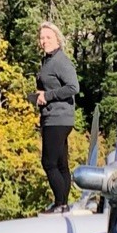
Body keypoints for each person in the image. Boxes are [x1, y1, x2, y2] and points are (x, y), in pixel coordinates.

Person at [35, 20, 81, 211]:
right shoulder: (48, 61)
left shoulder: (60, 61)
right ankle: (62, 204)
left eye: (48, 37)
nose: (44, 41)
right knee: (62, 164)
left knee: (49, 162)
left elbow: (73, 87)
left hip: (58, 118)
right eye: (42, 37)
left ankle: (61, 203)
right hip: (52, 116)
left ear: (57, 39)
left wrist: (48, 95)